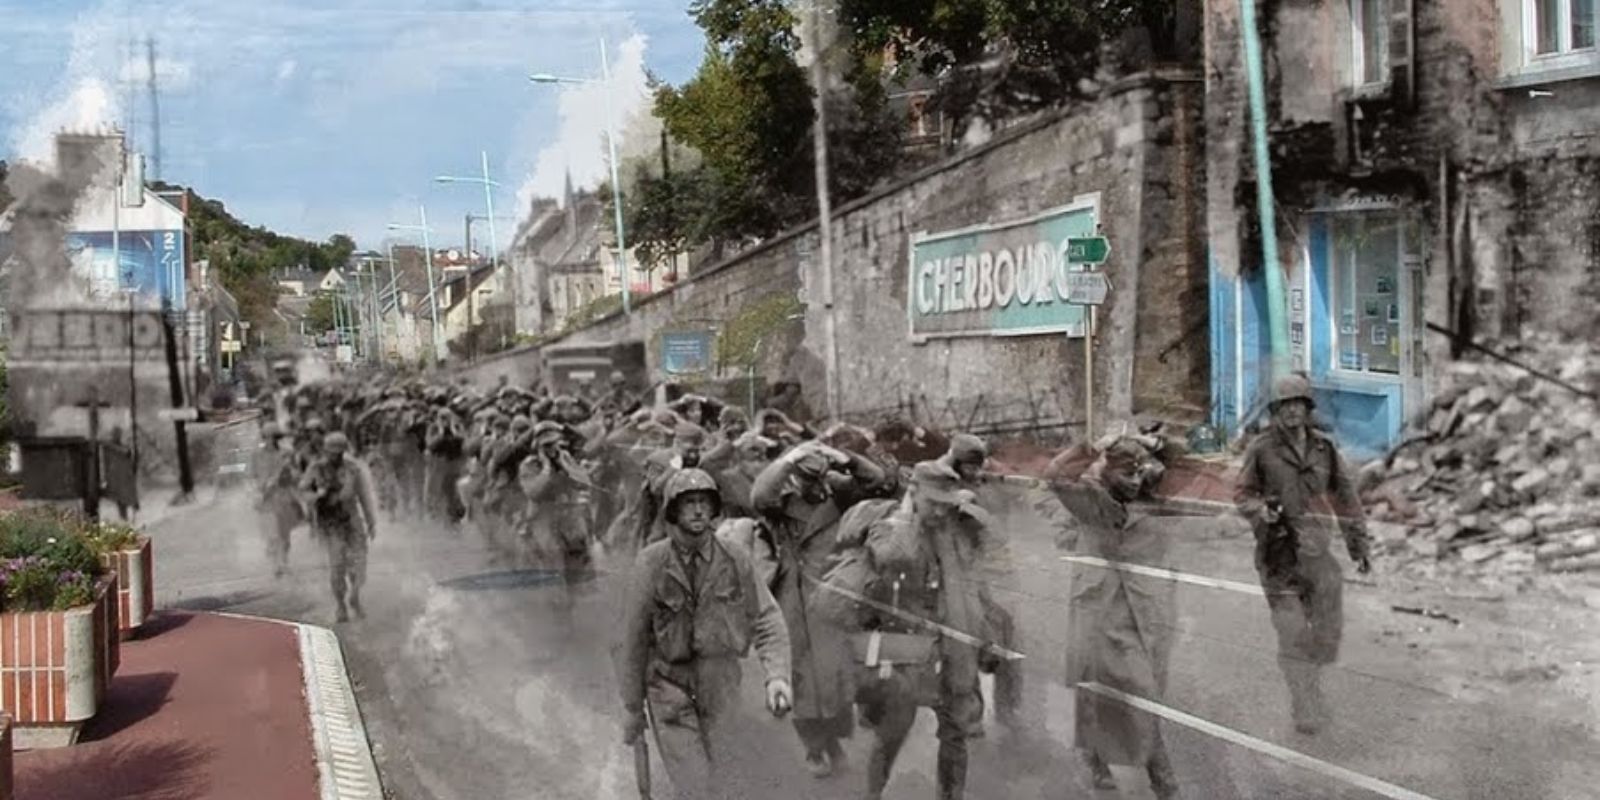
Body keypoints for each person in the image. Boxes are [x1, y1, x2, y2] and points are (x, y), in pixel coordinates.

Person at [617, 468, 793, 800]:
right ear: (673, 510)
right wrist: (631, 707)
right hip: (670, 686)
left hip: (721, 684)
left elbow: (766, 618)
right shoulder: (651, 563)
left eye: (704, 502)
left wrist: (777, 676)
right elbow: (632, 638)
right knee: (695, 785)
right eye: (689, 503)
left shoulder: (735, 557)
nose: (698, 510)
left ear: (714, 509)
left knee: (728, 778)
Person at [1234, 373, 1372, 735]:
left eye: (1298, 404)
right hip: (1278, 559)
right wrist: (1260, 510)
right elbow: (1242, 494)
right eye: (1284, 406)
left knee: (1325, 634)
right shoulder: (1262, 450)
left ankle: (1310, 684)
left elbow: (1347, 499)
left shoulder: (1325, 449)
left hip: (1317, 556)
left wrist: (1359, 547)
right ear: (1275, 412)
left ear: (1307, 409)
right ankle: (1304, 702)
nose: (1292, 411)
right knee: (1292, 633)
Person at [751, 439, 889, 777]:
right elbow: (758, 497)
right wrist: (788, 458)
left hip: (835, 598)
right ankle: (817, 748)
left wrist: (846, 458)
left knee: (837, 677)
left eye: (818, 480)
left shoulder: (840, 496)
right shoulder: (780, 505)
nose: (814, 487)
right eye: (804, 479)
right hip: (793, 599)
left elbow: (877, 482)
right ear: (793, 478)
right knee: (802, 680)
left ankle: (833, 741)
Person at [1054, 435, 1181, 799]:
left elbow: (1178, 459)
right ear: (1108, 472)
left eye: (1140, 472)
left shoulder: (1146, 496)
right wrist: (1087, 447)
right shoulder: (1088, 499)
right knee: (1098, 686)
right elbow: (1055, 476)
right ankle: (1149, 775)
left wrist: (1153, 440)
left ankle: (1141, 770)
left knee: (1141, 690)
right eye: (1128, 473)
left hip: (1139, 608)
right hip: (1098, 605)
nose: (1136, 480)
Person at [299, 432, 379, 623]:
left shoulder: (353, 469)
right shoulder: (316, 468)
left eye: (339, 452)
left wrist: (371, 521)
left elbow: (364, 496)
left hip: (351, 519)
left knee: (359, 563)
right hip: (330, 523)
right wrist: (318, 496)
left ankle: (355, 596)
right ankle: (341, 605)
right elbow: (303, 489)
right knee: (337, 566)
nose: (336, 456)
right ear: (325, 450)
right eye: (332, 452)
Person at [253, 422, 300, 579]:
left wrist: (288, 471)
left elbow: (295, 475)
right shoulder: (257, 455)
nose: (269, 440)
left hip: (284, 495)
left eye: (272, 437)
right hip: (266, 498)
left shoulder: (287, 453)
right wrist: (258, 491)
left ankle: (284, 560)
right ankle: (276, 565)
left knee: (285, 534)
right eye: (266, 437)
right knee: (272, 534)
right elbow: (253, 476)